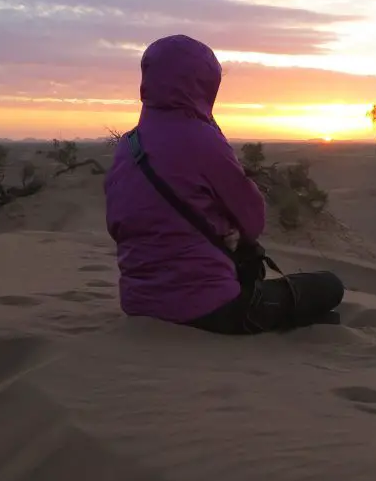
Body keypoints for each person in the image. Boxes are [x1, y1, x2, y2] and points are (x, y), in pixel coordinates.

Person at [104, 34, 345, 333]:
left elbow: (117, 226)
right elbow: (253, 220)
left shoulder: (127, 146)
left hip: (138, 305)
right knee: (330, 286)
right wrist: (226, 230)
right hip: (211, 308)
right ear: (205, 83)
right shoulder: (203, 139)